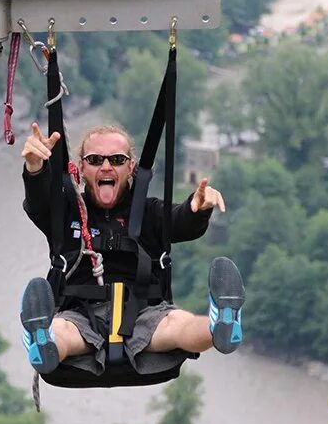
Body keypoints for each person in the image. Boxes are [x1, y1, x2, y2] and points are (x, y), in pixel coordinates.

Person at [19, 122, 245, 376]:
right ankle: (43, 343)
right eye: (95, 160)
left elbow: (180, 222)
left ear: (131, 168)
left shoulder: (149, 213)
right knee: (63, 332)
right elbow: (39, 203)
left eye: (116, 159)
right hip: (80, 315)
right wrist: (35, 167)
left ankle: (221, 326)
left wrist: (197, 209)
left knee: (178, 324)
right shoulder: (67, 212)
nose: (106, 166)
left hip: (143, 314)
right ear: (81, 168)